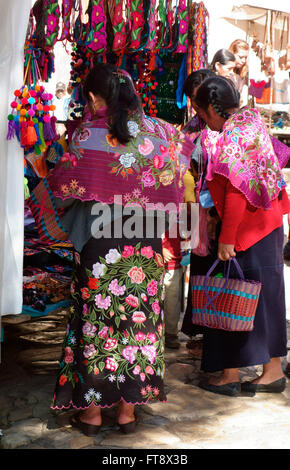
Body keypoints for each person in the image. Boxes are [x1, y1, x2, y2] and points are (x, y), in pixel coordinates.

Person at [29, 63, 193, 434]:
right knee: (139, 325)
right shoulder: (160, 131)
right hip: (146, 242)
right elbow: (179, 177)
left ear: (90, 96)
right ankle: (127, 414)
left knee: (98, 324)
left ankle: (89, 414)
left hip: (101, 244)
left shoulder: (89, 133)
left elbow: (64, 186)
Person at [191, 75, 289, 396]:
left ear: (210, 108)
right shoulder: (252, 121)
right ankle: (271, 370)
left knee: (233, 296)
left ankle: (230, 374)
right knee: (266, 298)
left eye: (202, 114)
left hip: (246, 229)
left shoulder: (234, 134)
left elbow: (235, 190)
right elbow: (280, 155)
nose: (203, 121)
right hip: (269, 224)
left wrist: (226, 237)